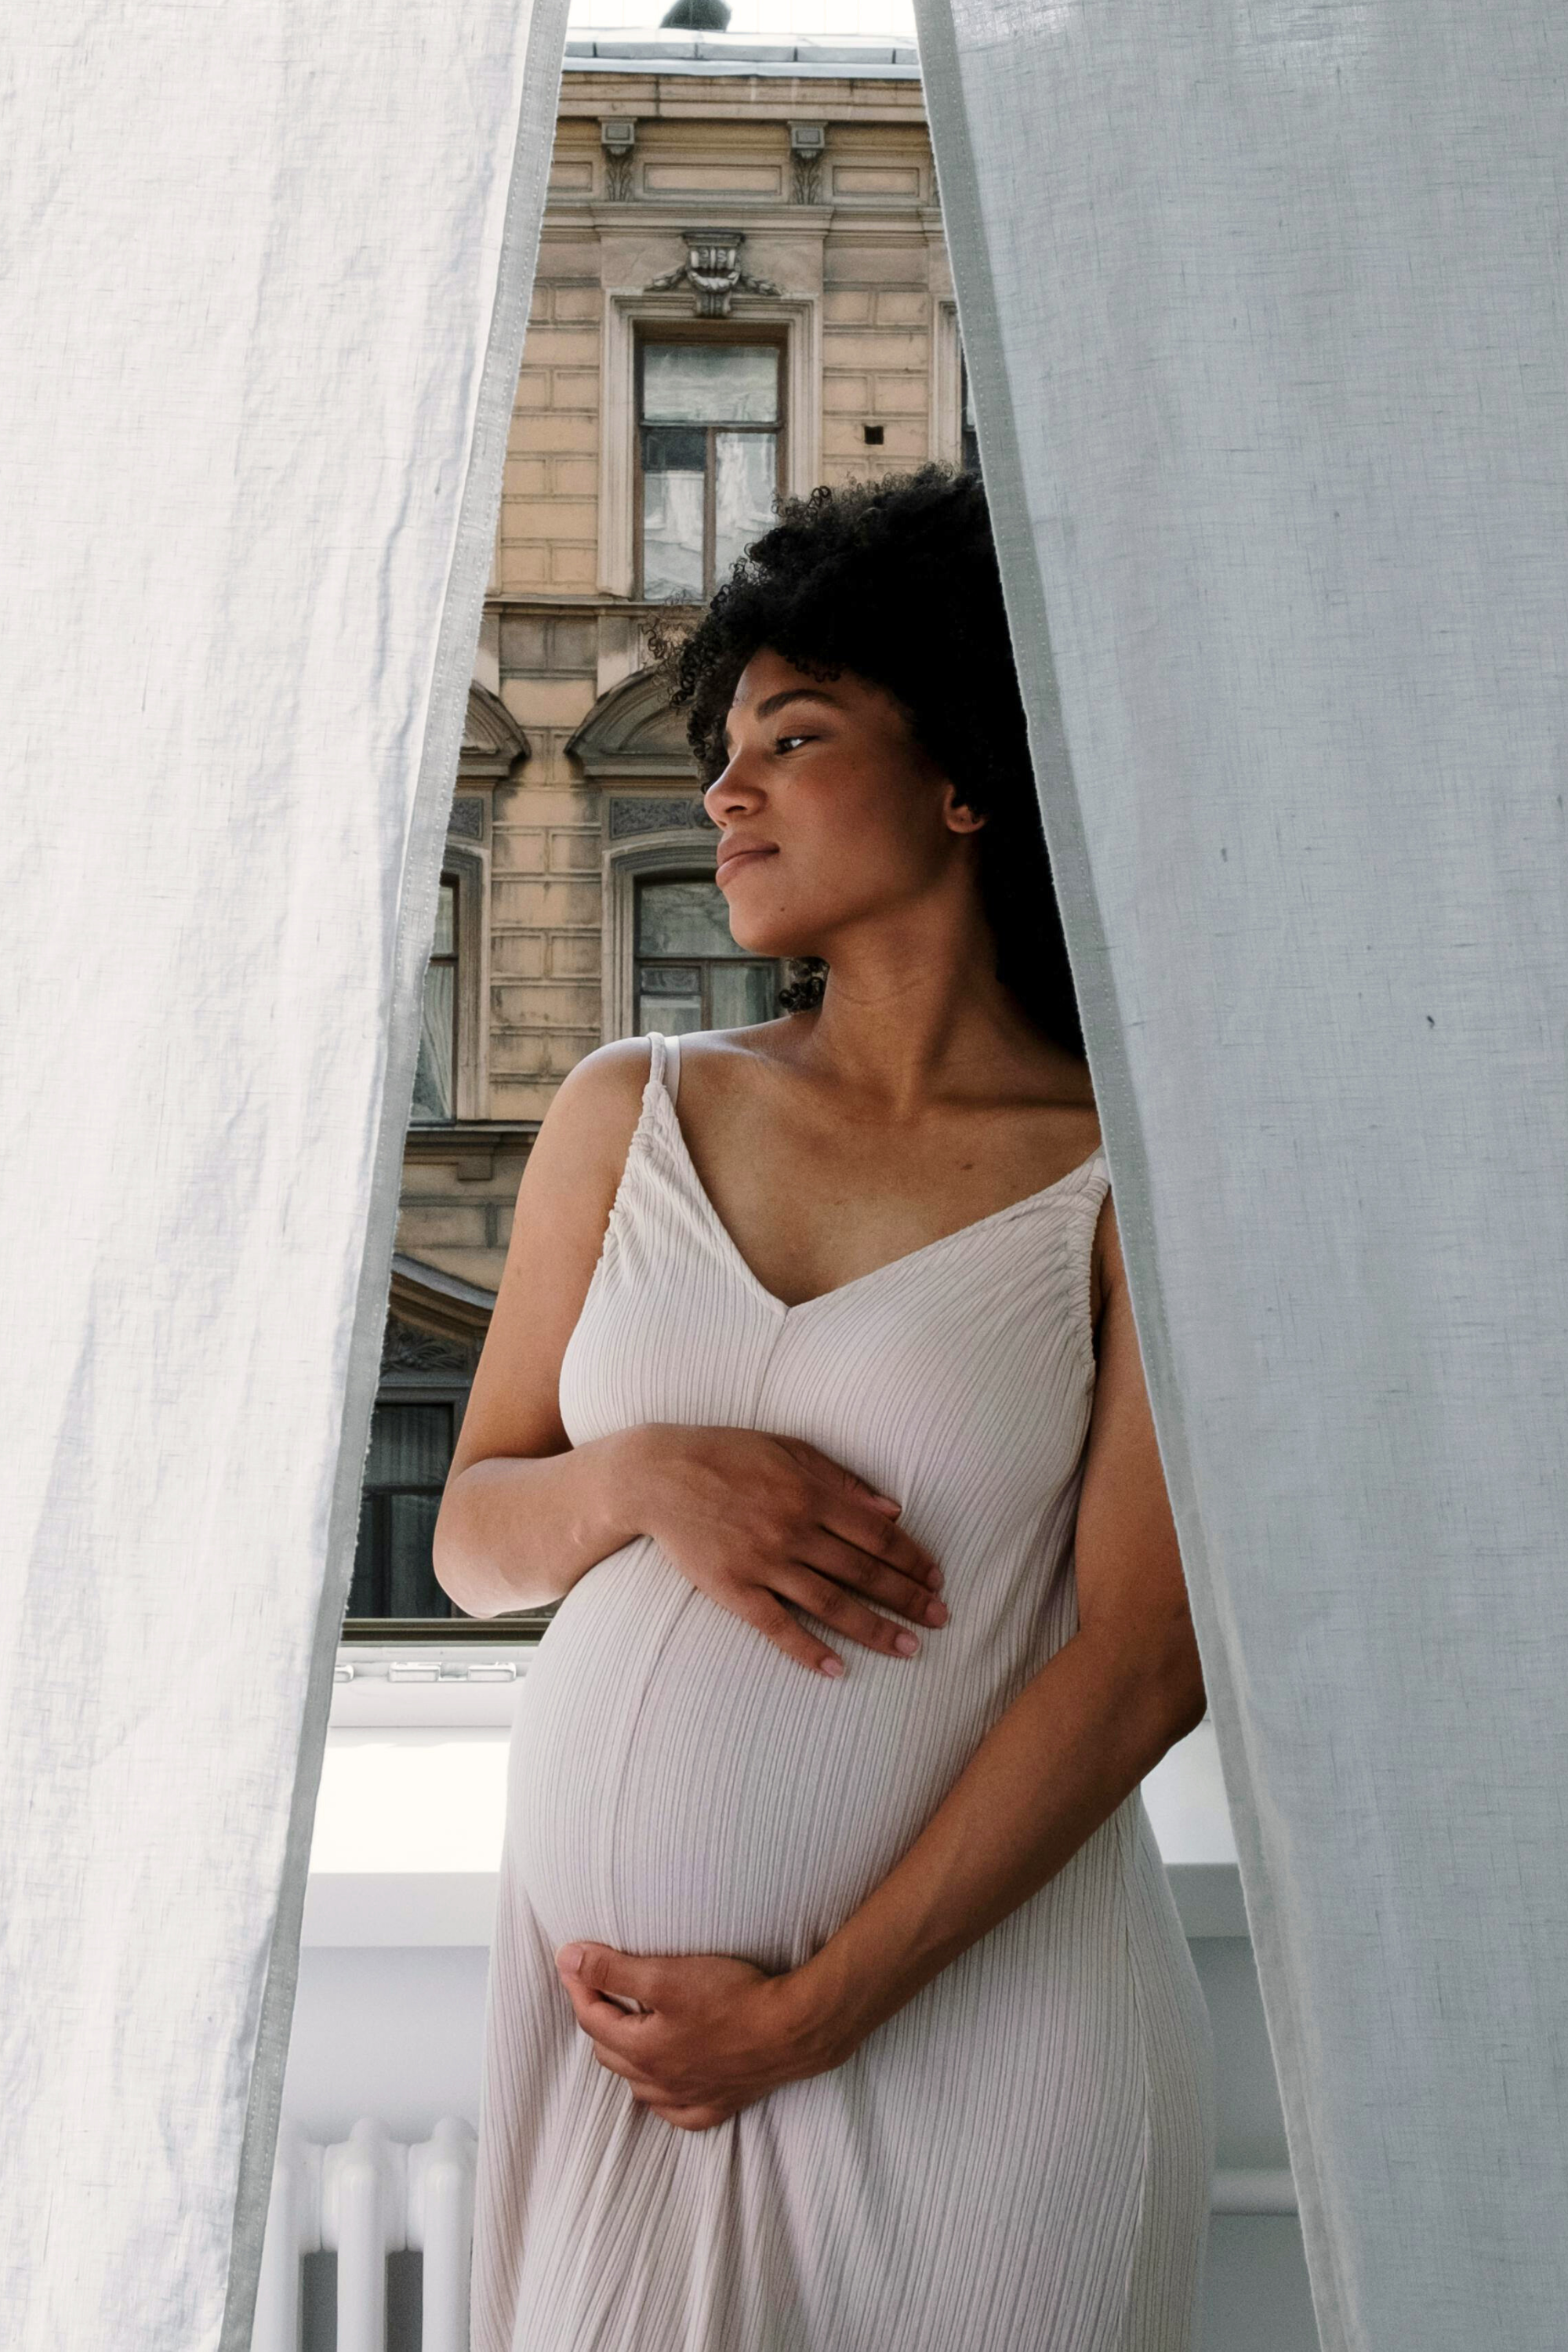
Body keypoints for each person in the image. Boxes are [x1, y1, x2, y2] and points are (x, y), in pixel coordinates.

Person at [434, 466, 1216, 2352]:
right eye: (724, 745)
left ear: (965, 772)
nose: (726, 789)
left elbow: (1144, 1663)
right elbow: (469, 1540)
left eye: (795, 734)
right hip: (629, 2061)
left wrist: (810, 2012)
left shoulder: (1132, 1178)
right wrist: (639, 1478)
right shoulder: (630, 1110)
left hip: (980, 2048)